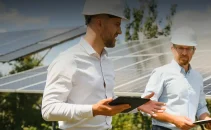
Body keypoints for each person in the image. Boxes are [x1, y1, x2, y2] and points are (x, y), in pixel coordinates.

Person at [41, 0, 165, 129]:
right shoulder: (67, 60)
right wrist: (93, 110)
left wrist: (136, 105)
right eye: (117, 24)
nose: (120, 31)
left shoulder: (106, 61)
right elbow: (48, 110)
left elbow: (106, 104)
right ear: (99, 23)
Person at [142, 27, 211, 130]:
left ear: (194, 50)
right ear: (173, 48)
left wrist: (207, 118)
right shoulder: (160, 73)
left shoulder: (197, 77)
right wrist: (174, 120)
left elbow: (201, 107)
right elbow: (146, 107)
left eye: (188, 48)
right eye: (181, 48)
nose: (184, 53)